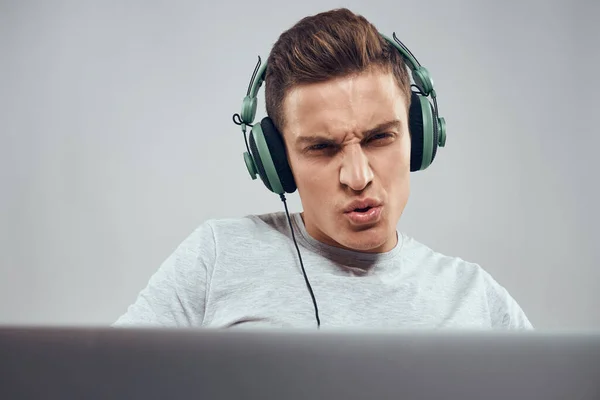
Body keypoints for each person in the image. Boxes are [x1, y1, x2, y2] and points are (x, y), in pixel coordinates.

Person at [114, 8, 532, 330]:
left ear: (418, 137)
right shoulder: (216, 256)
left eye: (379, 138)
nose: (357, 177)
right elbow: (102, 381)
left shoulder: (476, 300)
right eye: (321, 148)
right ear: (277, 162)